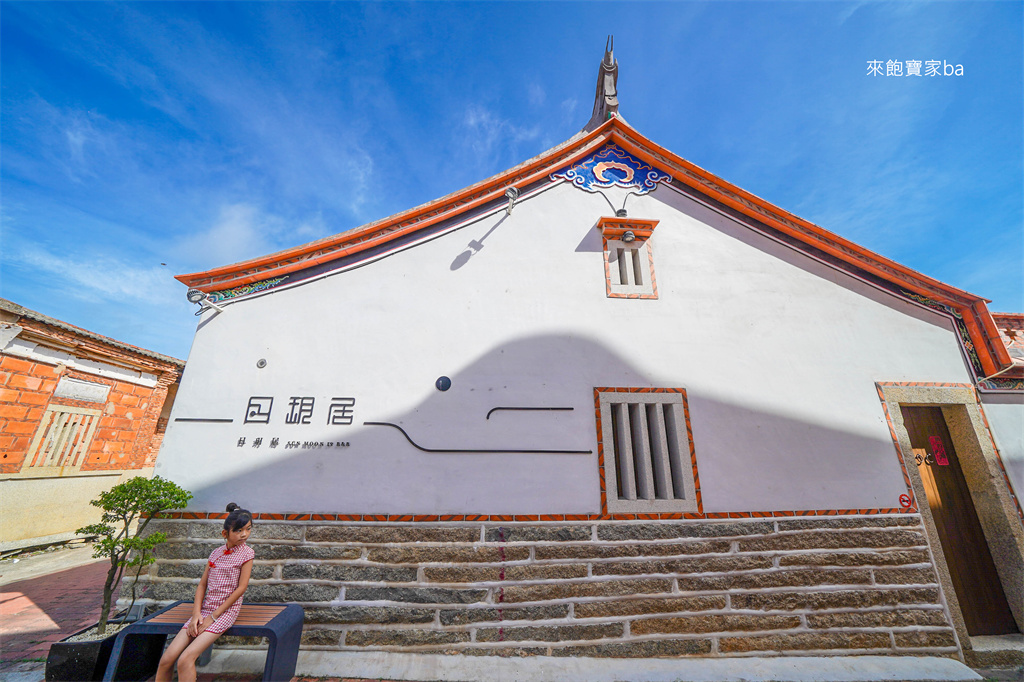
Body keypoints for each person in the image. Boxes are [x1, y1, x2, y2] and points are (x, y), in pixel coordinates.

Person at [156, 503, 255, 682]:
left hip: (225, 612)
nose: (244, 534)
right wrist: (196, 615)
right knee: (166, 660)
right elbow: (202, 585)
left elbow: (241, 588)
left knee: (185, 659)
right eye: (239, 530)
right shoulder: (215, 554)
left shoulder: (247, 553)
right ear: (225, 533)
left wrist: (214, 617)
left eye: (248, 529)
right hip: (205, 610)